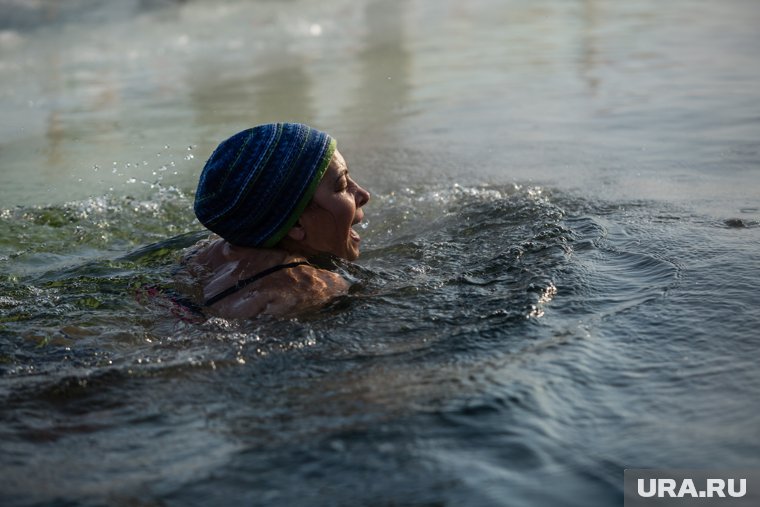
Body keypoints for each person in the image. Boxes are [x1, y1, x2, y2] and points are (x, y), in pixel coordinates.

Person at [180, 122, 370, 320]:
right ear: (296, 224)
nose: (364, 195)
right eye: (341, 185)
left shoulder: (197, 257)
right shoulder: (309, 289)